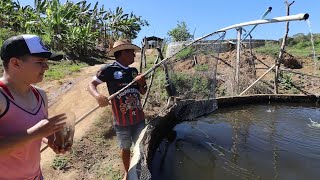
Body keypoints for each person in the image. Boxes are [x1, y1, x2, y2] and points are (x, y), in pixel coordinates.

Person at [0, 34, 69, 179]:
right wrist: (34, 133)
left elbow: (42, 131)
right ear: (15, 63)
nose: (47, 67)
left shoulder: (40, 96)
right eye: (40, 61)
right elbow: (35, 132)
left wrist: (51, 139)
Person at [88, 39, 147, 180]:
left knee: (142, 146)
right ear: (123, 53)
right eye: (131, 52)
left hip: (139, 118)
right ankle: (127, 172)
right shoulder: (108, 70)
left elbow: (143, 92)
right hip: (121, 121)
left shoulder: (134, 71)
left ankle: (142, 170)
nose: (134, 55)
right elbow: (91, 85)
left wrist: (142, 83)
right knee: (125, 147)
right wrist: (98, 96)